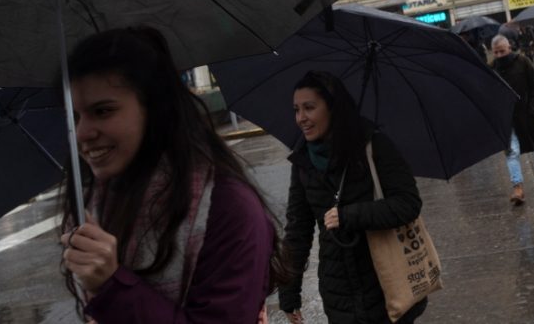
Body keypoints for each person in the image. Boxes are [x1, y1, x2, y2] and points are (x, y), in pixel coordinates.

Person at [59, 27, 285, 323]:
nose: (83, 133)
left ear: (154, 108)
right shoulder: (97, 205)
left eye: (103, 111)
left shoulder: (230, 207)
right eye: (75, 116)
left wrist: (112, 286)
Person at [279, 71, 427, 324]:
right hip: (339, 294)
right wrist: (289, 292)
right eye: (296, 110)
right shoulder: (303, 161)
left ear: (332, 108)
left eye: (309, 108)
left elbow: (408, 203)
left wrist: (350, 215)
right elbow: (298, 230)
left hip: (386, 284)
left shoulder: (374, 145)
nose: (301, 118)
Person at [491, 35, 534, 205]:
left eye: (502, 51)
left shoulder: (523, 62)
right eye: (496, 52)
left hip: (527, 114)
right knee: (511, 152)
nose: (500, 55)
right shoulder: (492, 68)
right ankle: (517, 187)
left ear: (509, 48)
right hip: (507, 117)